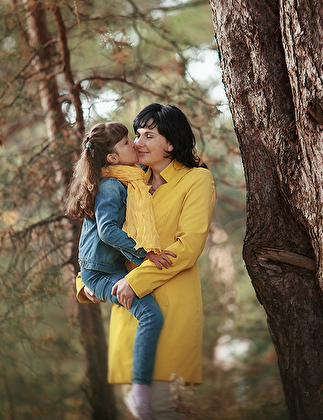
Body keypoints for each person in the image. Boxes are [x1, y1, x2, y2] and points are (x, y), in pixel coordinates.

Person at [77, 104, 216, 420]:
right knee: (144, 411)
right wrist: (84, 283)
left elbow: (187, 247)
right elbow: (97, 230)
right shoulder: (128, 178)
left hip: (168, 308)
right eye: (136, 135)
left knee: (163, 408)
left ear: (171, 143)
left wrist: (135, 281)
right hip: (128, 309)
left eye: (149, 136)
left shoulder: (196, 180)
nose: (138, 142)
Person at [65, 122, 176, 419]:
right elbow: (107, 231)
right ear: (112, 158)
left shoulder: (129, 179)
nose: (134, 145)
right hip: (99, 273)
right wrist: (145, 254)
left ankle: (147, 393)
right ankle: (139, 394)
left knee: (151, 315)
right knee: (151, 315)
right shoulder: (112, 185)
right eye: (127, 142)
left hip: (105, 268)